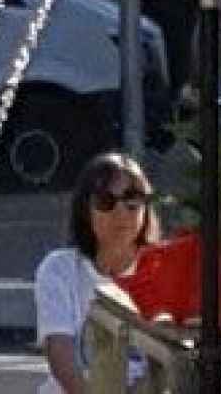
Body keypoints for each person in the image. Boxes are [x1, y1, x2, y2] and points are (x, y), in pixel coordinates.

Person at [34, 152, 159, 394]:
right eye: (105, 201)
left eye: (132, 199)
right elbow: (62, 358)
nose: (121, 212)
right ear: (85, 210)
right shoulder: (60, 269)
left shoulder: (163, 270)